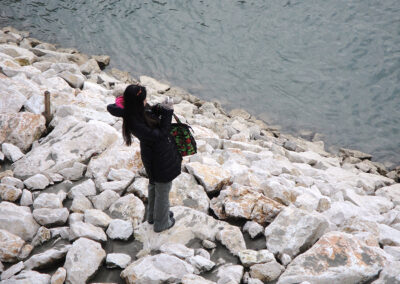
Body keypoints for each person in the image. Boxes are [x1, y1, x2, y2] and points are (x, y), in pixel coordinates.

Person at [107, 84, 182, 232]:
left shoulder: (133, 111)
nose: (146, 101)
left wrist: (159, 107)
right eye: (144, 99)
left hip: (152, 156)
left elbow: (147, 110)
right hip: (160, 158)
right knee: (163, 189)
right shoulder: (135, 121)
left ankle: (154, 216)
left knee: (155, 185)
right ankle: (162, 223)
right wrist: (168, 113)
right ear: (138, 102)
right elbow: (161, 135)